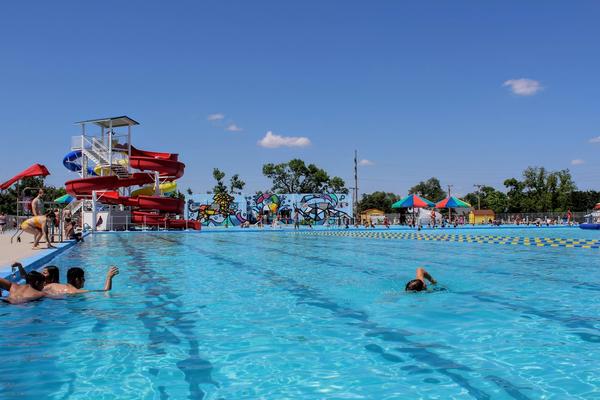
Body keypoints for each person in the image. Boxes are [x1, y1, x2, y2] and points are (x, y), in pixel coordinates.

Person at [43, 266, 119, 295]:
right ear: (77, 279)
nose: (84, 280)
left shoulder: (52, 285)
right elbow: (105, 291)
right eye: (83, 278)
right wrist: (109, 277)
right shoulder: (77, 292)